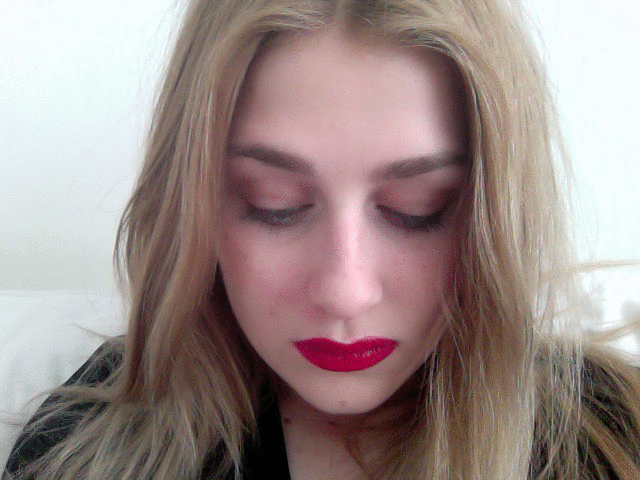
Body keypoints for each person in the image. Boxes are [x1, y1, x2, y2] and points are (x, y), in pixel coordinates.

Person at [4, 0, 640, 478]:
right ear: (194, 207)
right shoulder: (93, 439)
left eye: (418, 210)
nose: (344, 291)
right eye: (274, 205)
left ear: (495, 215)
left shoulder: (609, 436)